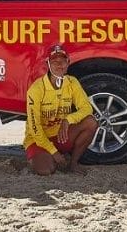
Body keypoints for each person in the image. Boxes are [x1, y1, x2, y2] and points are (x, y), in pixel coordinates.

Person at [23, 44, 100, 175]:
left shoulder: (72, 82)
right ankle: (43, 159)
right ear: (48, 64)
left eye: (63, 61)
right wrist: (54, 152)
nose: (59, 65)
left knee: (91, 122)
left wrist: (68, 120)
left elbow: (87, 108)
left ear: (68, 63)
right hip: (39, 140)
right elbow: (35, 129)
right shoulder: (36, 89)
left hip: (61, 135)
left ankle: (73, 164)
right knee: (46, 170)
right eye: (55, 62)